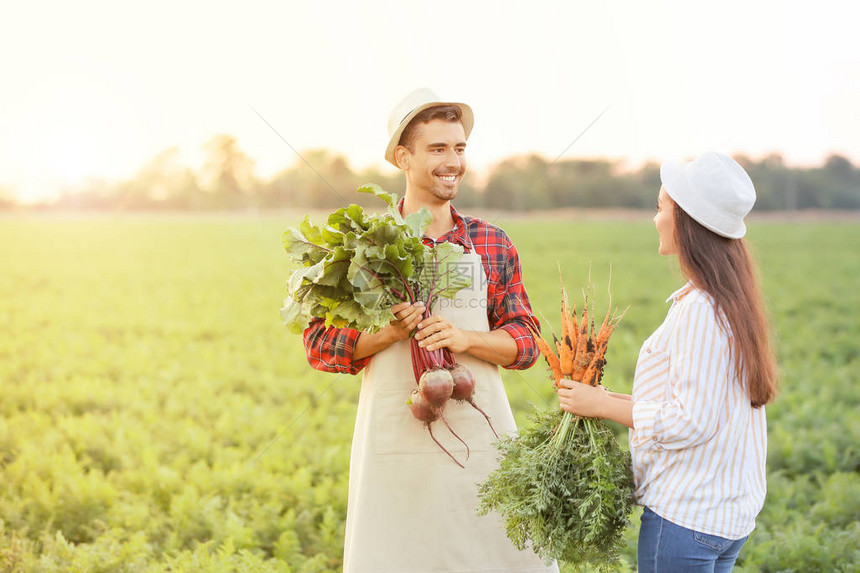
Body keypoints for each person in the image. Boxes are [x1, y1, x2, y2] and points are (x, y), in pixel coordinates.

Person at [303, 88, 558, 573]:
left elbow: (527, 342)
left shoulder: (490, 241)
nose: (453, 161)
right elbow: (319, 345)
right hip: (399, 446)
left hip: (480, 439)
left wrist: (468, 340)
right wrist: (389, 336)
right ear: (404, 156)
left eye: (459, 148)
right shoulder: (364, 248)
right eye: (438, 149)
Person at [557, 151, 778, 572]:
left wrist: (601, 406)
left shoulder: (700, 310)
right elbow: (699, 402)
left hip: (686, 516)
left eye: (661, 208)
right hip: (723, 516)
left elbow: (689, 421)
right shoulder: (730, 302)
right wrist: (606, 396)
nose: (655, 218)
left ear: (686, 222)